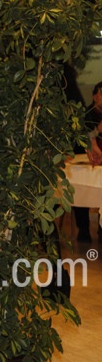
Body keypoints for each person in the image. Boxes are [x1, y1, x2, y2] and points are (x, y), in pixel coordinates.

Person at [77, 80, 102, 241]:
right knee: (81, 190)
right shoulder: (86, 114)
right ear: (95, 97)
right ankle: (83, 229)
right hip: (88, 161)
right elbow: (80, 140)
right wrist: (98, 129)